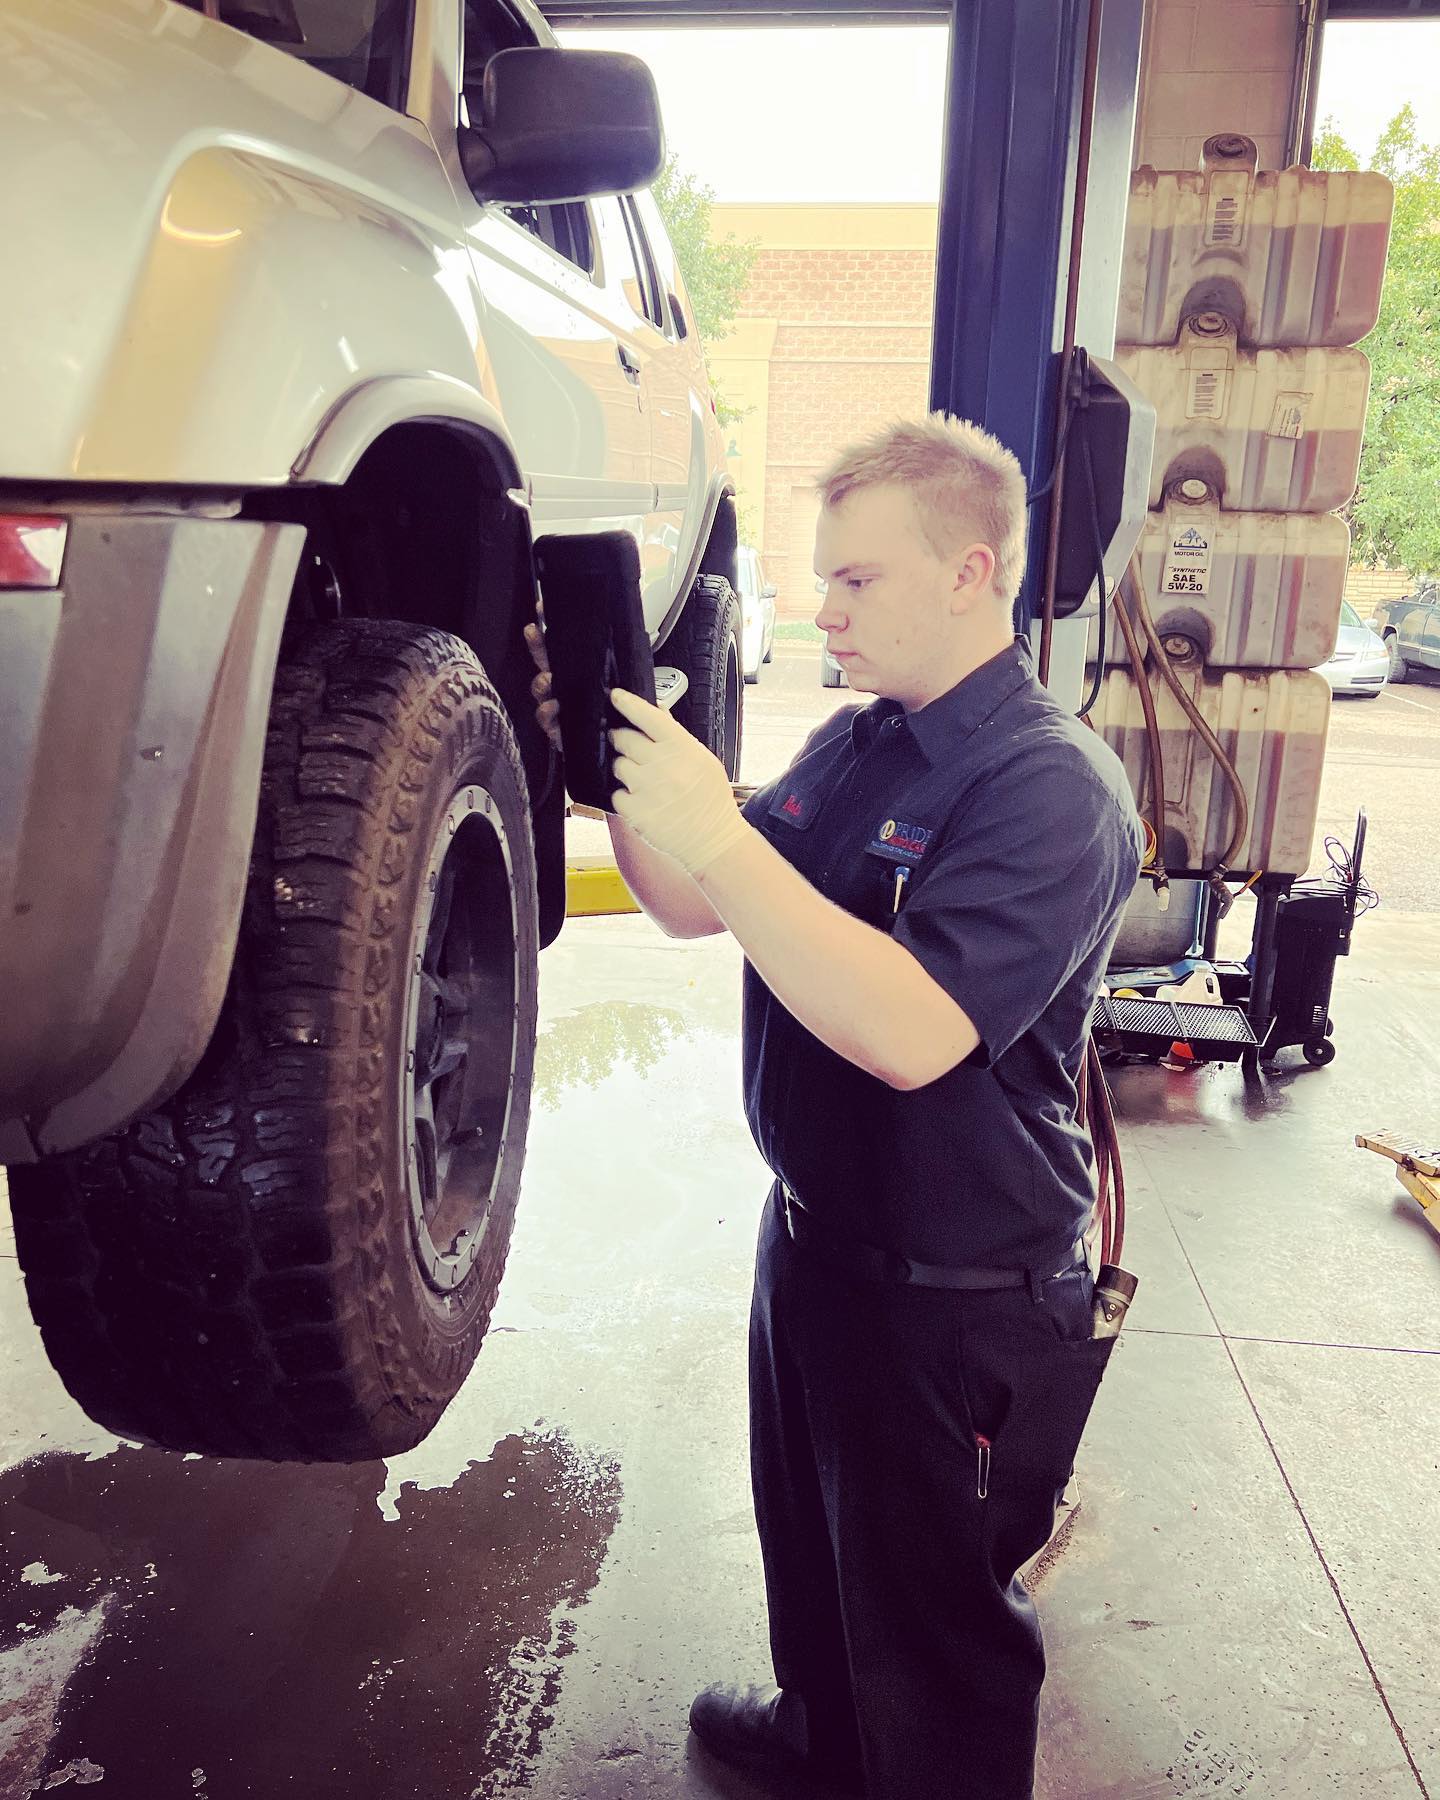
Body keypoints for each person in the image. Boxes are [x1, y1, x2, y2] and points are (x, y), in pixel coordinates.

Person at [526, 414, 1144, 1800]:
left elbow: (911, 1032)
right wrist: (620, 777)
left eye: (858, 580)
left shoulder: (1051, 786)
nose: (827, 611)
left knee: (937, 1626)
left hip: (959, 1291)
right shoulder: (866, 743)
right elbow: (698, 903)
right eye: (826, 581)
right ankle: (822, 1736)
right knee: (812, 1547)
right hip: (817, 1243)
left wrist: (716, 826)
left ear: (971, 573)